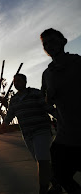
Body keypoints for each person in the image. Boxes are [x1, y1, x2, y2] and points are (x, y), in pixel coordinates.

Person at [40, 28, 81, 194]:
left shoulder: (78, 63)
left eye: (53, 41)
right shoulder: (47, 74)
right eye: (46, 44)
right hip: (65, 134)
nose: (50, 46)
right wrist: (52, 106)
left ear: (63, 42)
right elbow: (46, 102)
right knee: (59, 175)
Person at [2, 73, 57, 194]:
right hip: (27, 134)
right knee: (42, 162)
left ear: (25, 82)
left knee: (42, 161)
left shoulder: (35, 93)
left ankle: (43, 190)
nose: (16, 83)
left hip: (41, 130)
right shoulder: (14, 99)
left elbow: (47, 107)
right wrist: (4, 123)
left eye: (19, 81)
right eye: (15, 81)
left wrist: (60, 117)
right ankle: (57, 184)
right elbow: (10, 113)